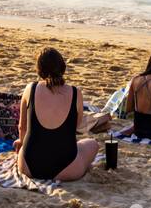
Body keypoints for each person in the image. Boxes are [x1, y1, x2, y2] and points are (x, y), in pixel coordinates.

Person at [15, 47, 98, 181]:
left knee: (24, 144)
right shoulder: (76, 93)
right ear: (62, 68)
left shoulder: (30, 88)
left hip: (29, 167)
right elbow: (75, 127)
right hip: (67, 168)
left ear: (39, 70)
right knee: (93, 144)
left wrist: (20, 141)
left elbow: (22, 128)